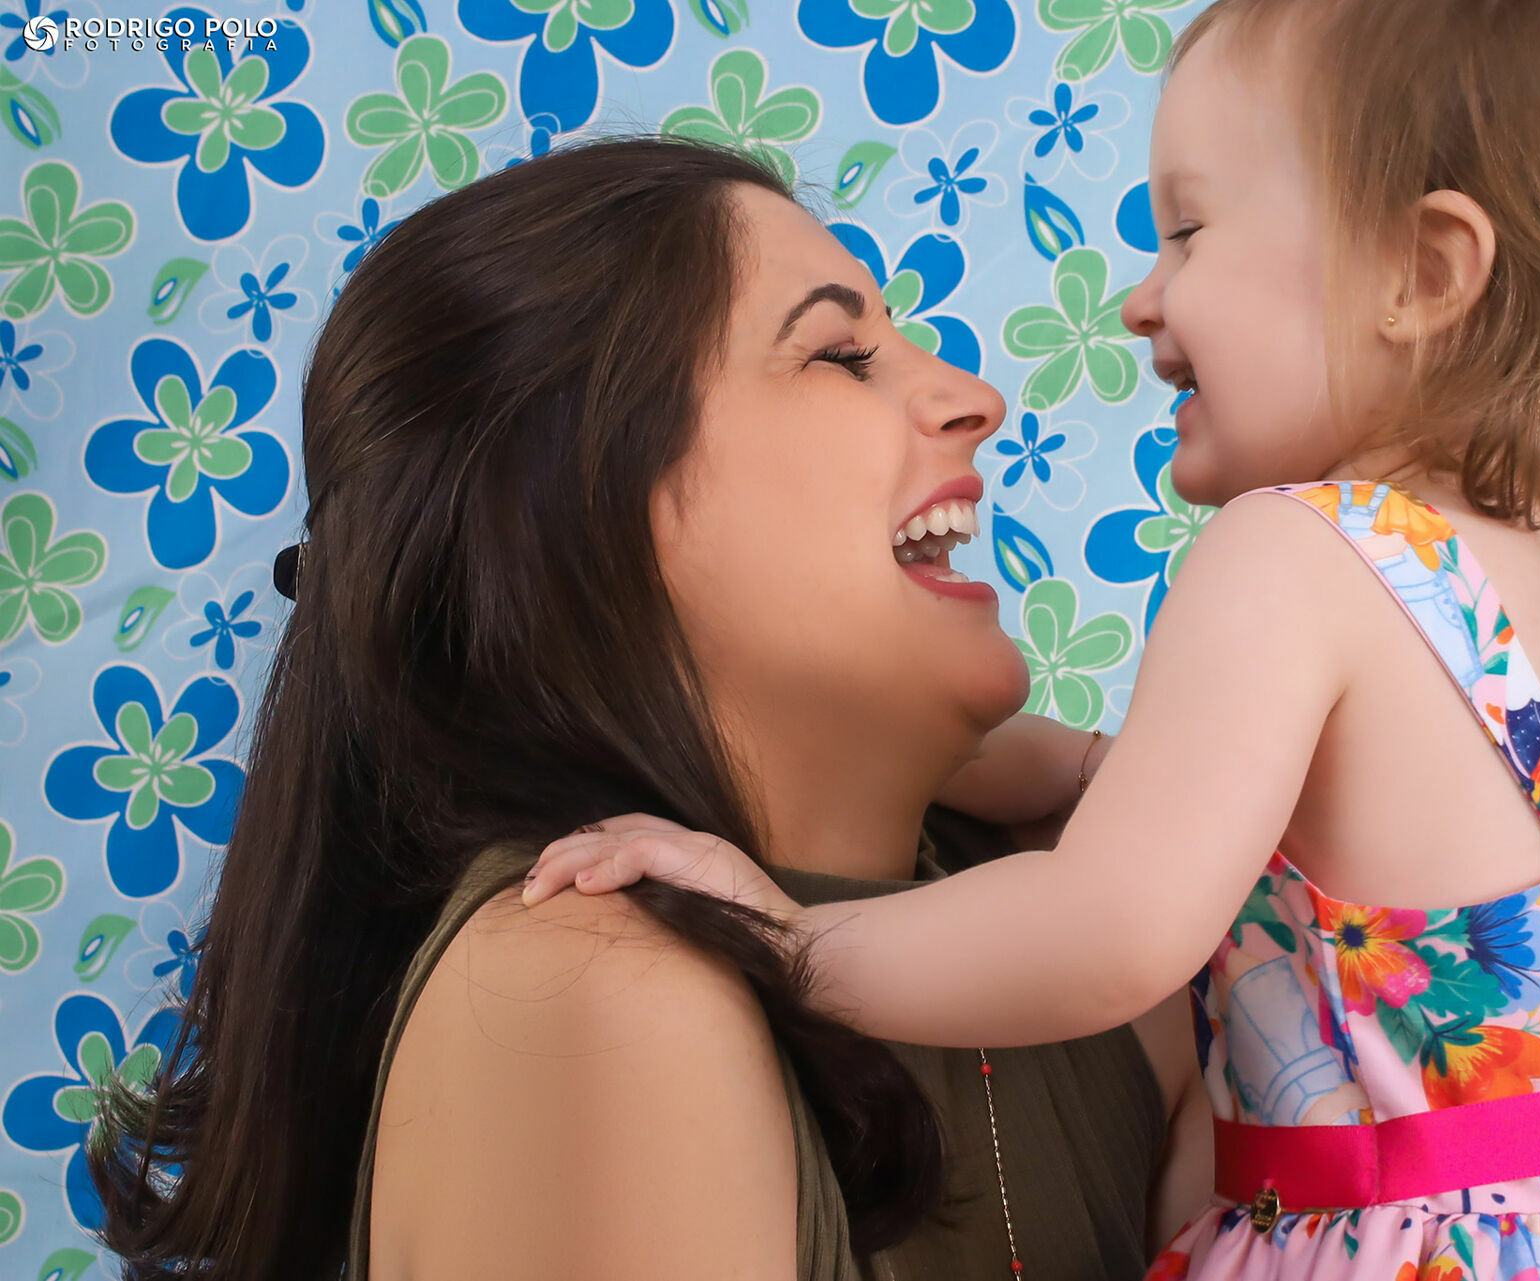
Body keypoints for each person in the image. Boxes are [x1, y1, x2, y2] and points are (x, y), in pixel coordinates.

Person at [523, 3, 1540, 1278]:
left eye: (1188, 232)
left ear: (1422, 271)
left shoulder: (1296, 551)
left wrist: (788, 940)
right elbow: (1321, 843)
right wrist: (1062, 764)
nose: (1143, 299)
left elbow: (1109, 927)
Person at [86, 135, 1211, 1281]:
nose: (978, 398)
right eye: (839, 355)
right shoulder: (584, 985)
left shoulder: (1099, 946)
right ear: (574, 525)